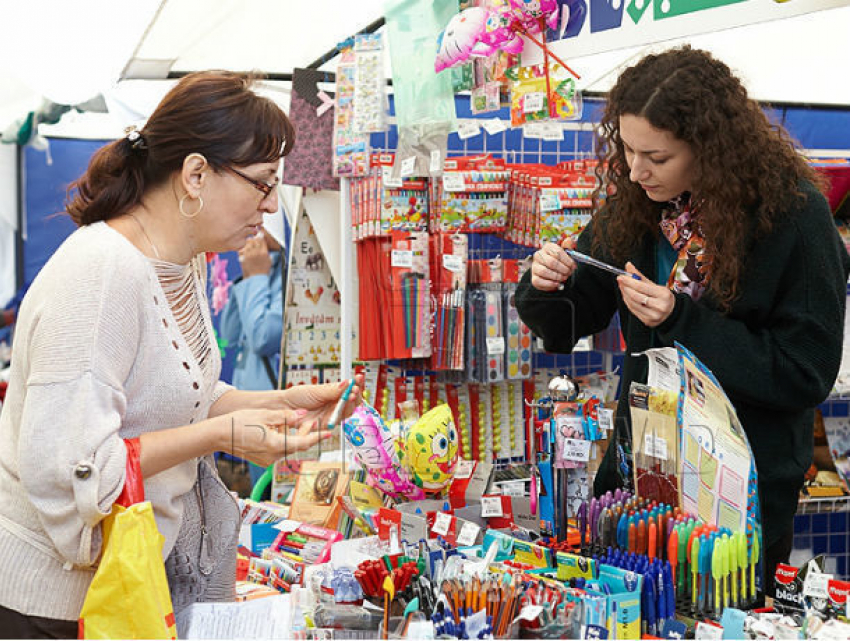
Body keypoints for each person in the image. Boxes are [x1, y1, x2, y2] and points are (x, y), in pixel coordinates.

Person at [0, 71, 362, 637]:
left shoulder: (182, 262)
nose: (270, 207)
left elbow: (183, 396)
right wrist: (221, 436)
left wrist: (278, 400)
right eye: (263, 184)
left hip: (128, 580)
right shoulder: (102, 272)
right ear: (196, 174)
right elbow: (73, 467)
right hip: (57, 604)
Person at [515, 46, 850, 596]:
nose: (635, 169)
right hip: (639, 485)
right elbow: (570, 321)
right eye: (626, 149)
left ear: (711, 150)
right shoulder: (638, 208)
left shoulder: (793, 218)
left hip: (740, 503)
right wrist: (546, 283)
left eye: (658, 157)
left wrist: (683, 320)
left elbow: (804, 372)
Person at [219, 208, 287, 490]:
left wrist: (256, 277)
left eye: (263, 226)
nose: (255, 233)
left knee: (271, 489)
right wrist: (249, 278)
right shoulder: (259, 270)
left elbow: (263, 337)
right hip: (249, 407)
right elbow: (229, 335)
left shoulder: (286, 273)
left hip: (273, 409)